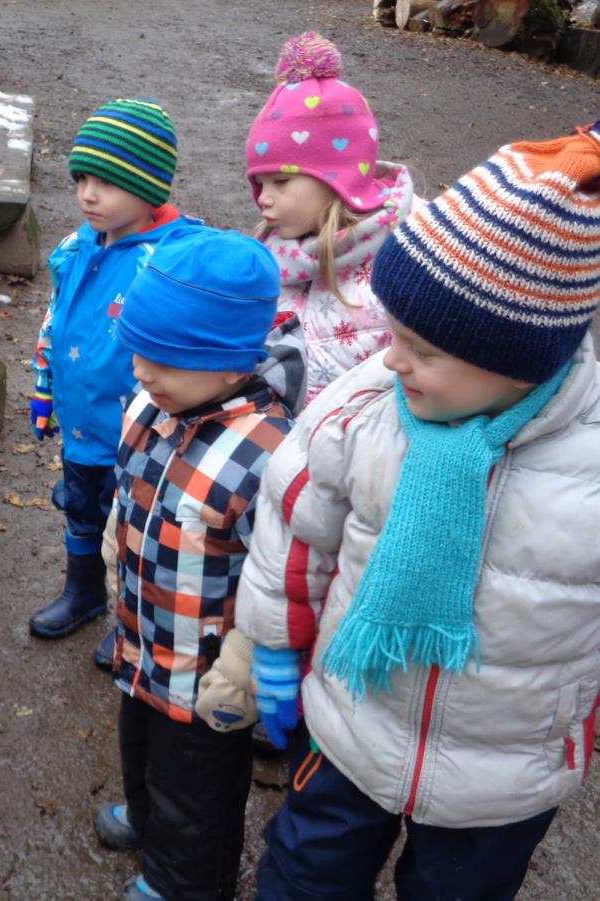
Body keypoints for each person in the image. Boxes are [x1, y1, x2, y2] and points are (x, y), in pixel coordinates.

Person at [234, 121, 600, 900]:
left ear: (520, 358)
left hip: (502, 774)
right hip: (349, 724)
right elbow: (298, 523)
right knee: (302, 877)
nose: (391, 358)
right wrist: (272, 644)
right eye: (394, 334)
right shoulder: (368, 404)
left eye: (423, 349)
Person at [93, 228, 306, 901]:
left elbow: (282, 568)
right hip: (140, 639)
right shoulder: (151, 406)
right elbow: (126, 495)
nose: (143, 372)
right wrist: (109, 551)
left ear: (230, 364)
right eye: (139, 354)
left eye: (164, 360)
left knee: (200, 789)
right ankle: (150, 819)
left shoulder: (269, 453)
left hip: (207, 668)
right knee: (140, 749)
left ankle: (188, 880)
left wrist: (248, 658)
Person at [30, 98, 200, 663]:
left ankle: (131, 615)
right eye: (82, 178)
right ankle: (82, 594)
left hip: (139, 433)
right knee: (81, 509)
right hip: (82, 426)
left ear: (149, 186)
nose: (87, 195)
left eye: (107, 182)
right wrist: (44, 385)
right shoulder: (76, 247)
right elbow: (55, 319)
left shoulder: (169, 258)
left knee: (133, 525)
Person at [245, 32, 421, 405]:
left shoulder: (409, 253)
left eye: (280, 181)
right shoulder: (271, 253)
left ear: (336, 178)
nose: (264, 199)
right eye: (259, 183)